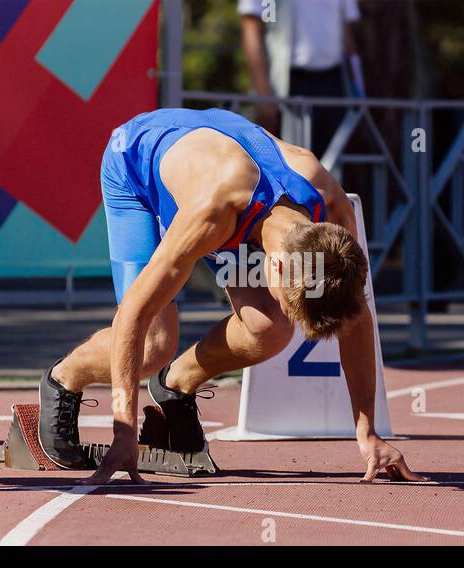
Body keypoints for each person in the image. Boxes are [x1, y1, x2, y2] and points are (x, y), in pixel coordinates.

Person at [38, 107, 420, 485]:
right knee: (154, 346)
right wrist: (123, 430)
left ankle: (175, 386)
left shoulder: (332, 212)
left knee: (268, 328)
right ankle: (62, 379)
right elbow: (132, 315)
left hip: (238, 188)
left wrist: (367, 432)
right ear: (281, 268)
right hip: (136, 166)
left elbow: (357, 318)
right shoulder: (212, 213)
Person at [240, 0, 363, 153]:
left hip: (334, 84)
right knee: (290, 162)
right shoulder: (269, 8)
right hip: (287, 85)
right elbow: (255, 26)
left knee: (331, 164)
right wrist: (263, 94)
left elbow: (346, 33)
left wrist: (357, 86)